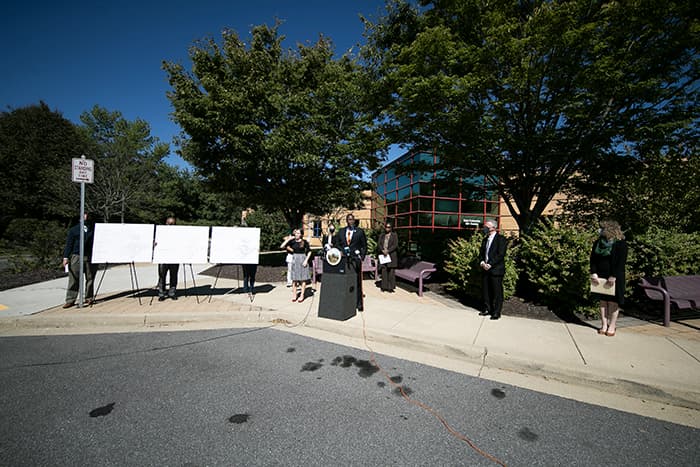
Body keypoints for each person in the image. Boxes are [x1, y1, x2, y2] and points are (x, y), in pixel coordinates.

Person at [590, 219, 628, 337]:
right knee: (602, 301)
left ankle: (612, 326)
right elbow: (593, 259)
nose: (599, 230)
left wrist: (614, 276)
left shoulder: (621, 244)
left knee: (613, 302)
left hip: (614, 277)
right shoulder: (598, 243)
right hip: (600, 275)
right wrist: (593, 273)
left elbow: (621, 262)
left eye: (602, 228)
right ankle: (604, 325)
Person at [62, 212, 98, 308]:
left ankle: (89, 297)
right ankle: (70, 299)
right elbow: (69, 244)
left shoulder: (94, 229)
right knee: (74, 278)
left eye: (87, 215)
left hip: (90, 256)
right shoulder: (74, 230)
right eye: (83, 215)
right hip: (77, 256)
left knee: (90, 278)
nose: (86, 217)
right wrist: (66, 257)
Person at [337, 213, 367, 310]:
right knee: (345, 281)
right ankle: (345, 301)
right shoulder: (341, 231)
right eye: (349, 219)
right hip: (344, 260)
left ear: (354, 220)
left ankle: (359, 303)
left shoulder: (359, 232)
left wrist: (361, 257)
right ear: (346, 221)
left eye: (352, 219)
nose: (350, 221)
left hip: (355, 260)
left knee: (357, 282)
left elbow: (364, 245)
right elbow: (337, 243)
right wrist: (340, 251)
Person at [479, 219, 507, 320]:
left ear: (493, 228)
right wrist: (482, 262)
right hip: (485, 269)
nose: (485, 228)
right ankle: (487, 308)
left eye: (487, 226)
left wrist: (490, 264)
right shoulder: (485, 239)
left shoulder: (501, 239)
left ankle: (496, 312)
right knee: (486, 291)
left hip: (496, 270)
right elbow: (481, 253)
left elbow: (501, 254)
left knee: (497, 292)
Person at [285, 228, 313, 302]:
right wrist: (288, 240)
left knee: (303, 279)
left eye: (298, 233)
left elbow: (309, 251)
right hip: (295, 259)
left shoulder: (304, 242)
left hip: (302, 259)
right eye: (296, 233)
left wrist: (306, 260)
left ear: (301, 234)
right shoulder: (292, 241)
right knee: (294, 279)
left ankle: (302, 295)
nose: (296, 234)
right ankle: (294, 295)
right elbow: (283, 246)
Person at [157, 216, 180, 301]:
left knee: (173, 276)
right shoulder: (160, 232)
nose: (170, 225)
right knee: (162, 276)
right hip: (163, 258)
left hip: (174, 257)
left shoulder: (178, 233)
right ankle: (161, 293)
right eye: (169, 223)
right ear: (165, 223)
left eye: (172, 224)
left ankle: (172, 293)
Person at [377, 221, 398, 292]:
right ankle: (384, 287)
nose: (387, 228)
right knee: (384, 271)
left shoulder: (394, 235)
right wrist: (382, 250)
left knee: (391, 272)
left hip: (391, 255)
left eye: (389, 227)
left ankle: (390, 287)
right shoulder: (382, 235)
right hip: (383, 256)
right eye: (386, 227)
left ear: (391, 228)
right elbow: (379, 244)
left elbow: (395, 245)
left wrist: (388, 251)